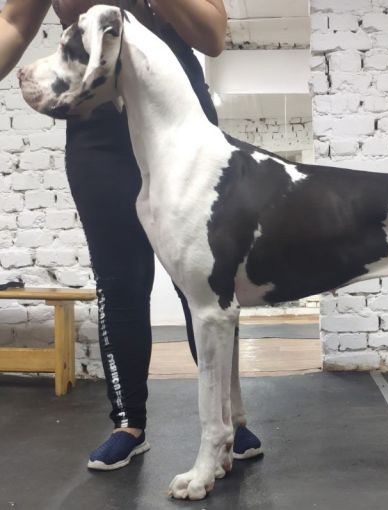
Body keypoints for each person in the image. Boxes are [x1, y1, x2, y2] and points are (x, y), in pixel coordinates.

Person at [0, 0, 262, 470]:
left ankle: (228, 421)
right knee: (118, 282)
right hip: (96, 129)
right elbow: (12, 24)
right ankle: (128, 423)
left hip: (178, 119)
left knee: (203, 281)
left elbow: (212, 37)